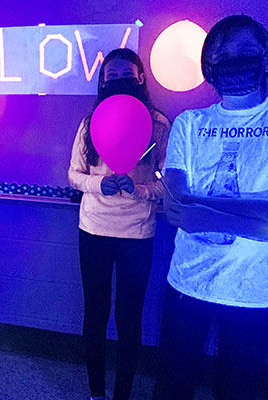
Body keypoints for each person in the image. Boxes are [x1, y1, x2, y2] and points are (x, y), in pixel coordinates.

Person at [154, 15, 268, 400]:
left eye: (246, 52)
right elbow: (177, 209)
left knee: (240, 391)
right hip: (186, 283)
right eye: (224, 53)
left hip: (254, 294)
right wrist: (252, 213)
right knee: (171, 386)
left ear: (265, 57)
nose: (235, 59)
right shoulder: (189, 123)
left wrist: (202, 212)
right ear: (208, 65)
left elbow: (191, 209)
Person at [68, 48, 170, 400]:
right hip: (93, 230)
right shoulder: (90, 121)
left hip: (137, 235)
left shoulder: (157, 124)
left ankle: (122, 394)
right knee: (95, 315)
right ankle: (97, 393)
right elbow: (74, 174)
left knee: (130, 319)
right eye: (112, 75)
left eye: (128, 73)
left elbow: (166, 184)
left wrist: (139, 189)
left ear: (141, 78)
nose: (120, 80)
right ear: (103, 81)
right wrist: (99, 184)